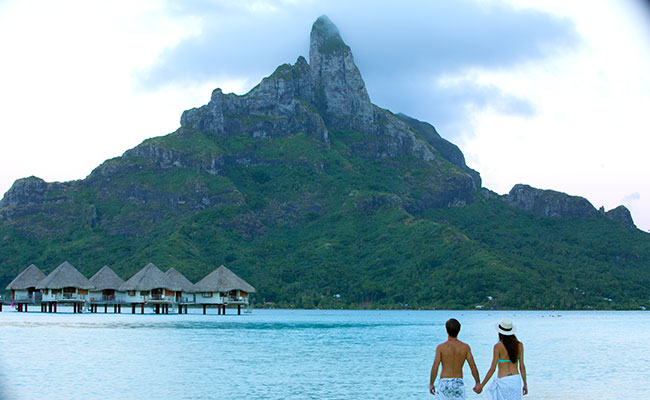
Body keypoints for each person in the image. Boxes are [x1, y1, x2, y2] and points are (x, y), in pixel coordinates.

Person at [475, 318, 528, 399]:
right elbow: (522, 366)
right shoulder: (519, 345)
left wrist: (482, 385)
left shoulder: (498, 347)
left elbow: (492, 369)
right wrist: (525, 384)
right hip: (515, 381)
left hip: (503, 381)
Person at [429, 318, 480, 399]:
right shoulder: (465, 347)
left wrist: (431, 384)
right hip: (458, 382)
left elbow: (435, 367)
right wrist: (477, 382)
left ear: (446, 330)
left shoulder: (441, 347)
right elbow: (473, 366)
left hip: (444, 382)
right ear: (459, 330)